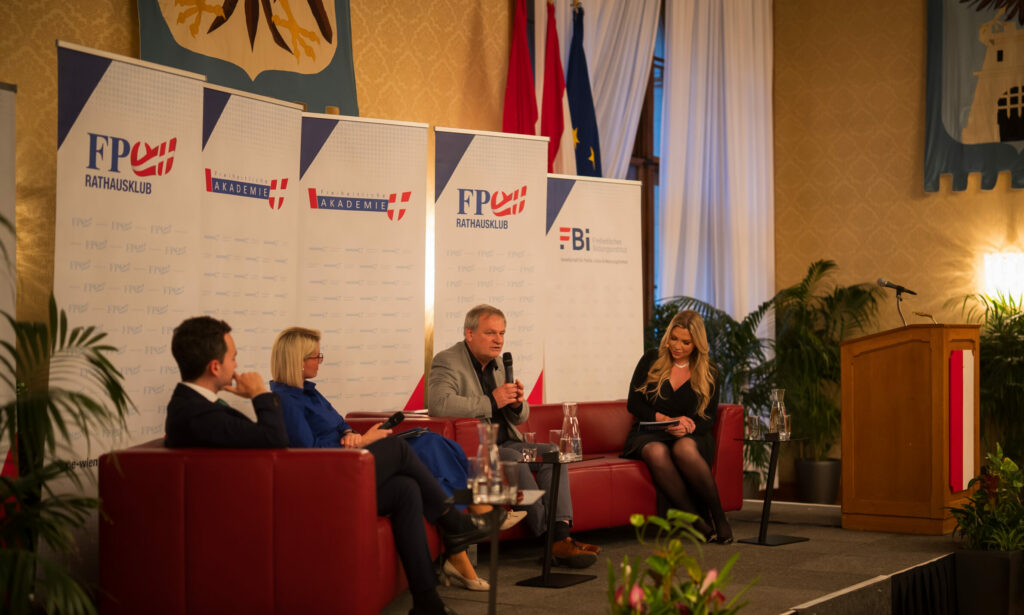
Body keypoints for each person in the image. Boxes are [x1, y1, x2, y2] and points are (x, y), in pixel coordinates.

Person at [268, 327, 496, 606]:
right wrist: (360, 441)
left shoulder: (310, 393)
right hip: (328, 483)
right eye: (316, 356)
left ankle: (427, 601)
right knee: (398, 448)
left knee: (406, 488)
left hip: (347, 467)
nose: (320, 361)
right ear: (298, 361)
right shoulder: (285, 401)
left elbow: (341, 425)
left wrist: (350, 434)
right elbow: (309, 454)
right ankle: (452, 519)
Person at [428, 304, 599, 568]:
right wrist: (491, 400)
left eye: (502, 333)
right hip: (478, 448)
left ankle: (560, 535)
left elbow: (518, 417)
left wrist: (517, 403)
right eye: (490, 333)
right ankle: (555, 540)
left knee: (554, 453)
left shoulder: (498, 364)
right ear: (469, 334)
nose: (498, 340)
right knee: (510, 457)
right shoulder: (447, 361)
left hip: (508, 441)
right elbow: (439, 405)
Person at [622, 310, 733, 544]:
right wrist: (663, 419)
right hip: (650, 432)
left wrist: (687, 428)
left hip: (690, 434)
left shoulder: (709, 370)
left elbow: (708, 418)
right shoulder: (651, 359)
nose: (677, 346)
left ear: (697, 344)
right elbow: (634, 403)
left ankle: (720, 518)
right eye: (674, 338)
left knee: (684, 449)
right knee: (656, 451)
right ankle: (696, 521)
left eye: (686, 342)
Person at [164, 315, 288, 448]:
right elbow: (274, 438)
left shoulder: (191, 405)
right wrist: (259, 393)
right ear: (215, 367)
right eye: (233, 358)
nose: (235, 365)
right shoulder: (198, 415)